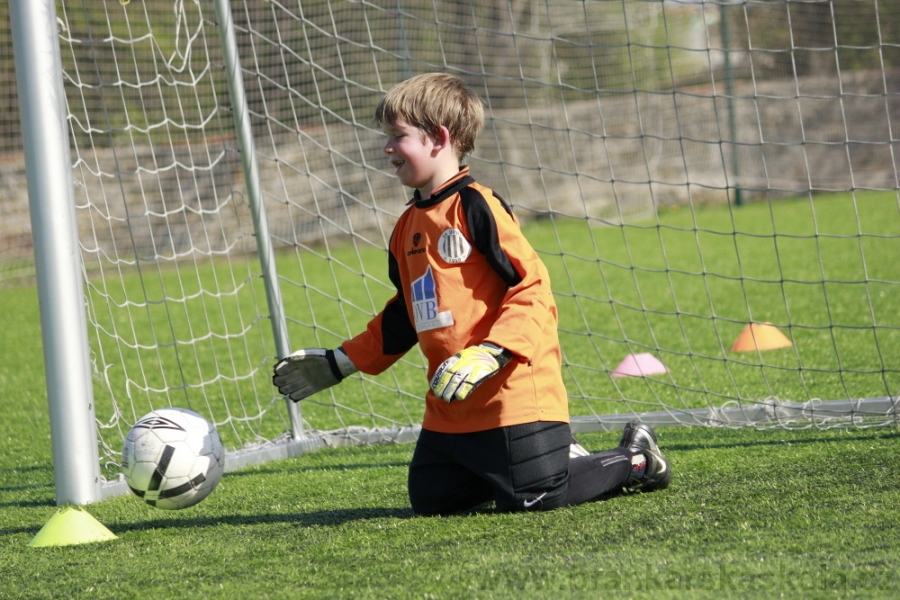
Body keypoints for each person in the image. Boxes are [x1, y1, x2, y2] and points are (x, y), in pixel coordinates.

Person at [273, 73, 670, 515]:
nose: (386, 148)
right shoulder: (405, 227)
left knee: (534, 498)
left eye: (397, 136)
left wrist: (492, 351)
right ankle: (544, 458)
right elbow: (406, 313)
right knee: (433, 502)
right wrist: (340, 362)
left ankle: (637, 459)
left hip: (513, 395)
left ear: (439, 138)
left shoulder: (477, 205)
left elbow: (532, 286)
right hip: (451, 407)